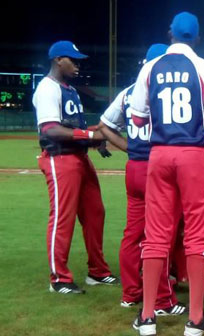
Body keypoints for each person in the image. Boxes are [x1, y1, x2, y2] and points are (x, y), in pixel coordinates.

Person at [128, 11, 204, 336]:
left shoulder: (150, 67)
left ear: (170, 33)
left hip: (159, 154)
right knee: (198, 233)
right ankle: (196, 319)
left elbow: (139, 120)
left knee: (156, 233)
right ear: (197, 38)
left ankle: (147, 317)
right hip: (194, 154)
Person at [97, 44, 186, 316]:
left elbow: (103, 125)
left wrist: (128, 147)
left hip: (135, 168)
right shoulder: (164, 88)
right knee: (160, 236)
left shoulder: (127, 92)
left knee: (133, 234)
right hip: (157, 168)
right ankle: (161, 300)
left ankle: (131, 293)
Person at [34, 40, 117, 295]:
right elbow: (52, 130)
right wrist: (91, 137)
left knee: (95, 213)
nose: (77, 64)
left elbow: (72, 128)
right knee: (63, 218)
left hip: (79, 159)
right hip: (60, 159)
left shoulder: (68, 88)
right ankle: (59, 278)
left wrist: (95, 141)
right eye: (73, 60)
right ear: (58, 59)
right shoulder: (48, 88)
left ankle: (97, 271)